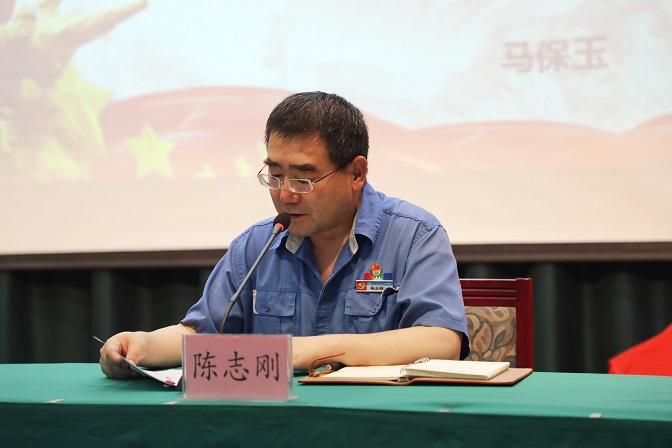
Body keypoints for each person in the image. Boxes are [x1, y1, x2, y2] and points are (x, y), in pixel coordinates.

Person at [100, 91, 470, 379]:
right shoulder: (257, 244)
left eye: (304, 179)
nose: (286, 194)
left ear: (357, 174)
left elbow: (442, 341)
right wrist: (143, 344)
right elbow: (201, 334)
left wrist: (306, 351)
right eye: (275, 176)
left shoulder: (413, 235)